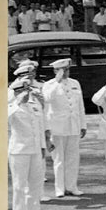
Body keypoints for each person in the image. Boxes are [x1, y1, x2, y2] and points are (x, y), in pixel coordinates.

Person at [42, 58, 87, 198]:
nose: (66, 72)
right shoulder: (49, 85)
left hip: (73, 126)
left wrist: (83, 124)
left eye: (68, 69)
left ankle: (72, 186)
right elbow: (47, 99)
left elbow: (80, 106)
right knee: (59, 159)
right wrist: (57, 81)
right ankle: (60, 188)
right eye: (63, 70)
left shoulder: (75, 83)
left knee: (73, 158)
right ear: (56, 71)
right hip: (57, 127)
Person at [8, 78, 46, 210]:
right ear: (16, 92)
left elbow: (39, 127)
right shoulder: (11, 107)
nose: (26, 93)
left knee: (35, 182)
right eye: (22, 91)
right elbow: (5, 118)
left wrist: (42, 146)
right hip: (19, 150)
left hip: (35, 149)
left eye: (27, 90)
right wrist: (18, 102)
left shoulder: (33, 105)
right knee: (20, 183)